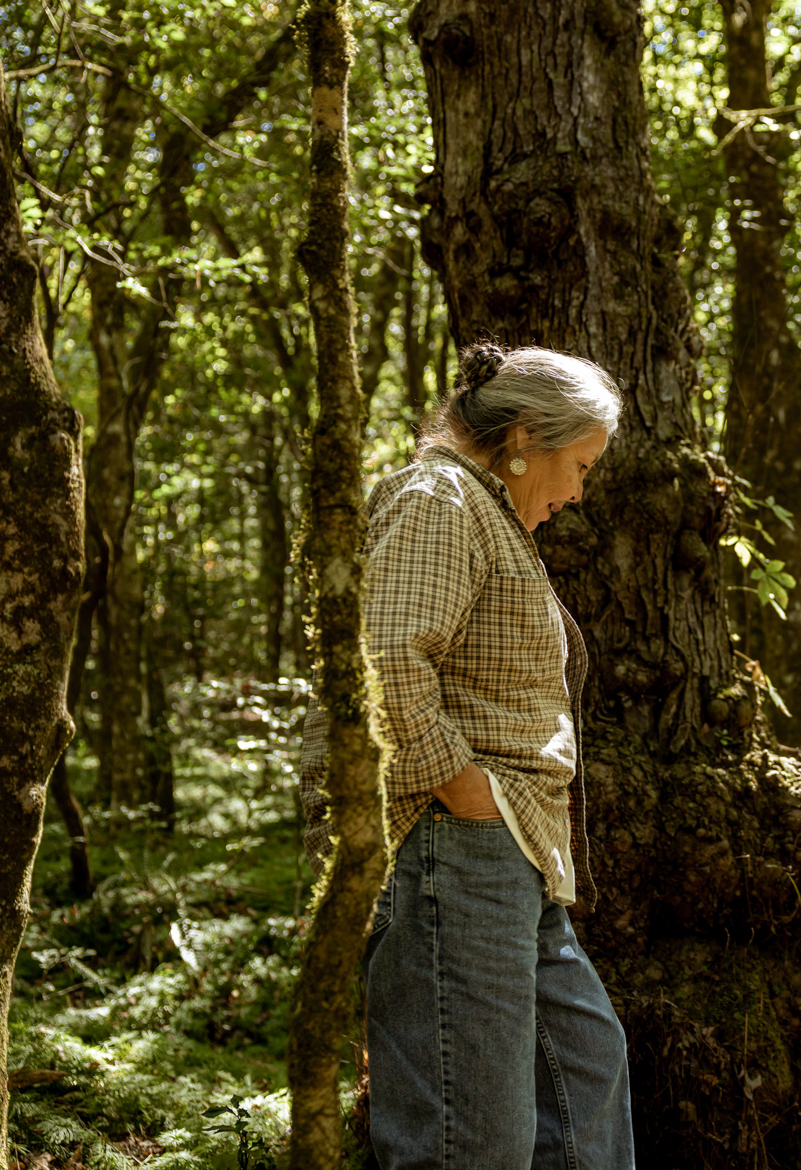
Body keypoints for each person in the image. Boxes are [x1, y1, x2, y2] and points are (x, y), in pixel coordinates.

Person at [296, 343, 634, 1170]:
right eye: (579, 465)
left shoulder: (484, 509)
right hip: (456, 845)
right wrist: (463, 786)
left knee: (586, 1074)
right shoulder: (441, 496)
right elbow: (385, 660)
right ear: (523, 435)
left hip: (512, 850)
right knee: (472, 1141)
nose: (578, 493)